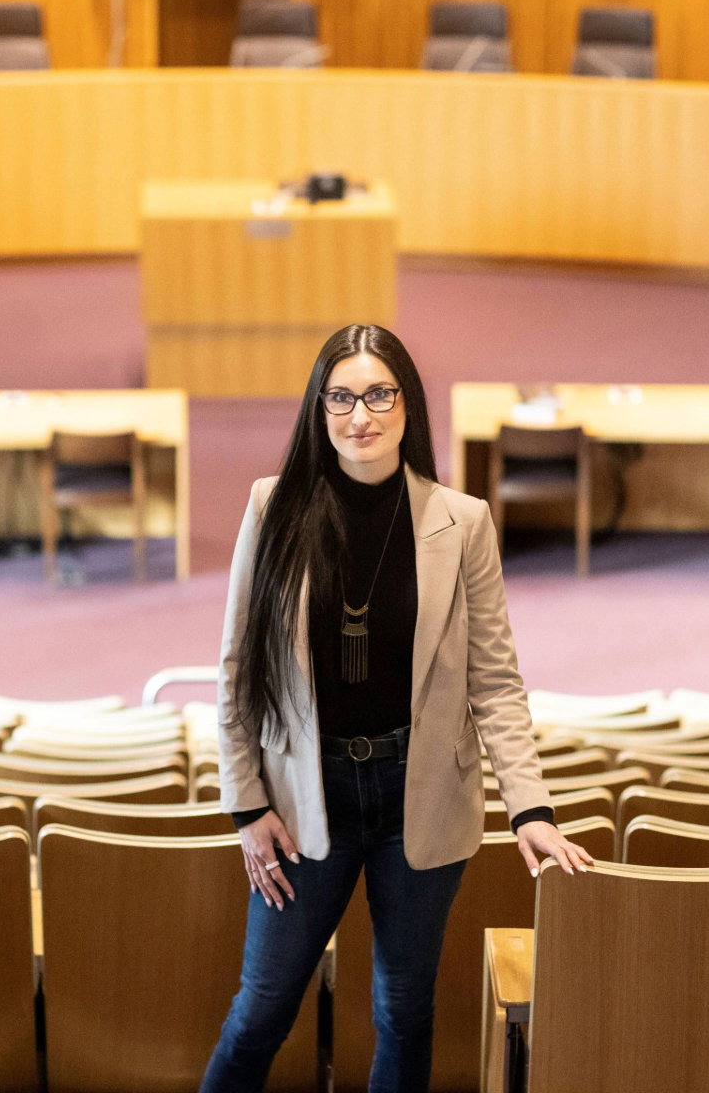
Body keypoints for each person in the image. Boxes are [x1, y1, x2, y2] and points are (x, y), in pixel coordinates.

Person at [202, 324, 593, 1093]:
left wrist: (530, 808)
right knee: (262, 1009)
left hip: (419, 793)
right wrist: (247, 807)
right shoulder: (272, 508)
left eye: (379, 394)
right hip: (302, 799)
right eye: (340, 397)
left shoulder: (463, 520)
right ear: (319, 410)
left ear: (408, 404)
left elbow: (496, 682)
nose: (360, 415)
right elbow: (235, 670)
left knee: (404, 1010)